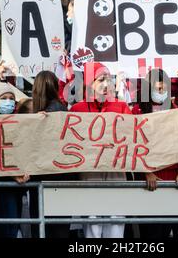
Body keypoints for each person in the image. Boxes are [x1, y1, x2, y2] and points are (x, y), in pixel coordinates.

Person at [69, 62, 132, 238]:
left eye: (109, 79)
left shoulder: (121, 106)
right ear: (90, 83)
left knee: (116, 217)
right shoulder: (77, 109)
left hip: (116, 168)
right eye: (101, 79)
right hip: (90, 170)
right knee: (92, 217)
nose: (106, 84)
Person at [131, 69, 178, 238]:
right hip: (149, 180)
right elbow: (134, 144)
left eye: (164, 89)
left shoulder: (175, 108)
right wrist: (147, 172)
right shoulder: (137, 111)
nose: (162, 93)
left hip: (175, 177)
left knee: (177, 228)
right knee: (152, 231)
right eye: (158, 89)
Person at [28, 70, 77, 238]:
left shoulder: (48, 113)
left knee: (44, 228)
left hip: (46, 180)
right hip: (61, 180)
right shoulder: (61, 110)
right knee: (59, 229)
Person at [0, 82, 27, 238]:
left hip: (17, 182)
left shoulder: (20, 121)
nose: (9, 101)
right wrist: (11, 174)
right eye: (4, 98)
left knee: (13, 224)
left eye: (11, 98)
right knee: (5, 226)